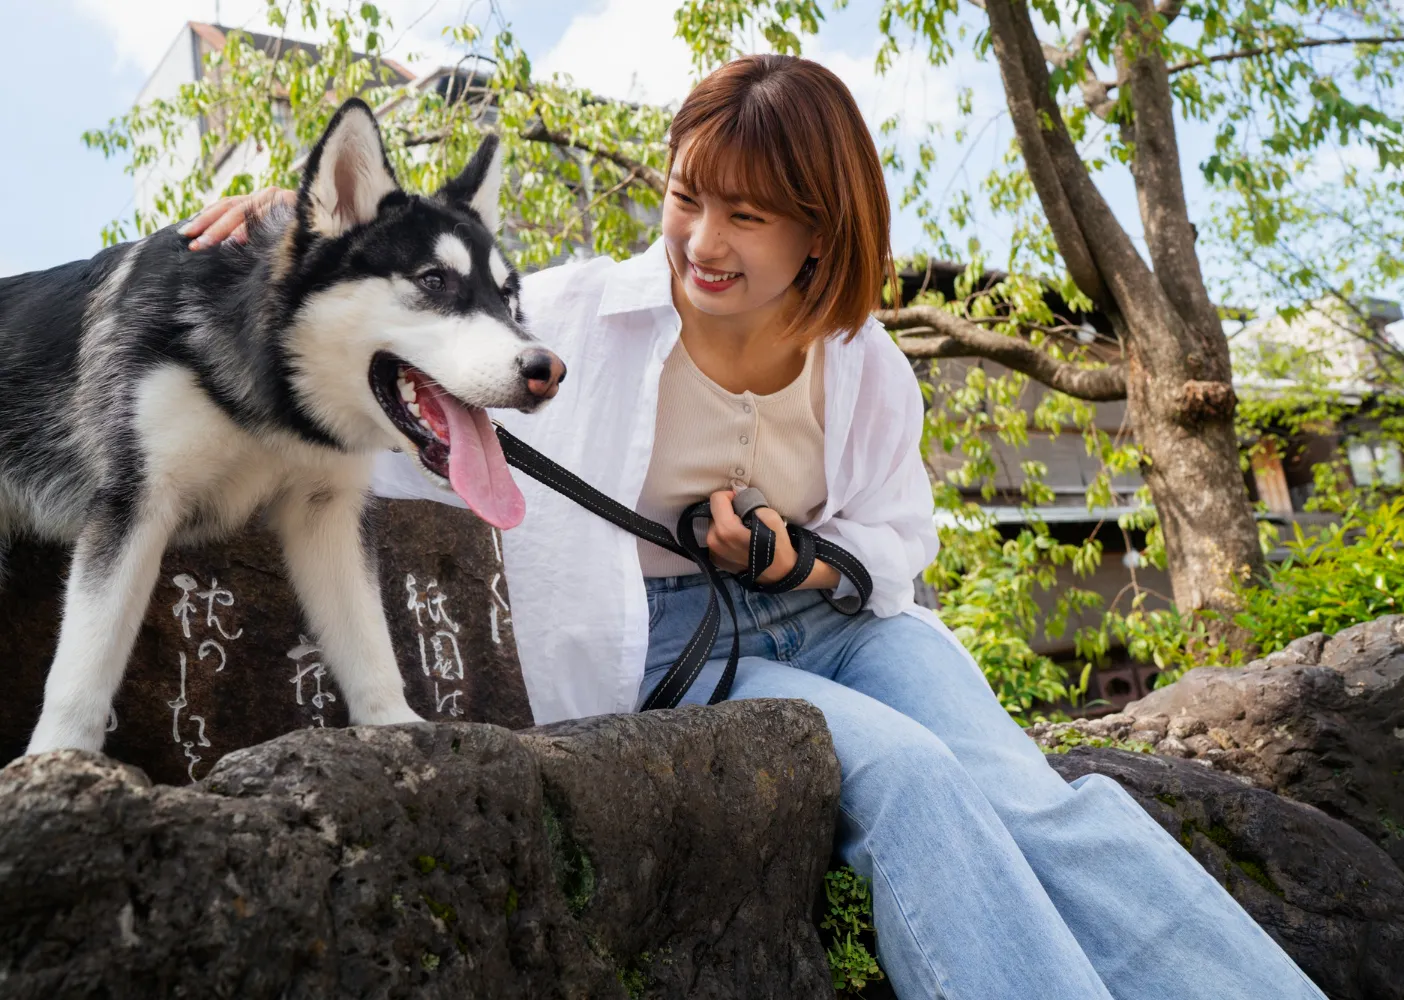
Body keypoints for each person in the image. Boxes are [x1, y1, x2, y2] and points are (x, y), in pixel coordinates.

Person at [185, 54, 1326, 1000]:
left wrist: (799, 551)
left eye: (747, 213)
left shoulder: (865, 363)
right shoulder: (572, 315)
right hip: (684, 647)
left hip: (845, 622)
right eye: (688, 197)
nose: (702, 240)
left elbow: (892, 537)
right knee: (915, 782)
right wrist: (293, 246)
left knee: (1034, 794)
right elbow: (401, 355)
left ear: (819, 234)